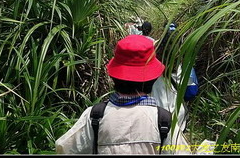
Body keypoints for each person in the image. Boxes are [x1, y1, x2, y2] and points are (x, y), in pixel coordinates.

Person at [55, 34, 190, 154]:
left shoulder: (95, 116)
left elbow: (64, 149)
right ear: (152, 78)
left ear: (114, 77)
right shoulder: (164, 120)